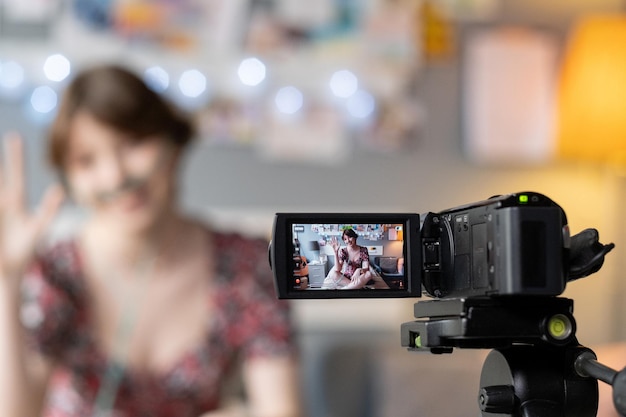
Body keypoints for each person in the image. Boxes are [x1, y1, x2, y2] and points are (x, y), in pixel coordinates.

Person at [0, 65, 301, 417]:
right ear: (68, 179)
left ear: (172, 145)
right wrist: (7, 278)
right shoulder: (56, 272)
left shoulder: (248, 264)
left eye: (132, 144)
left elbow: (281, 409)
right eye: (86, 160)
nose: (115, 175)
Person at [322, 228, 386, 290]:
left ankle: (346, 288)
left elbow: (366, 268)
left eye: (350, 237)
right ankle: (357, 287)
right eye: (345, 239)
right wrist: (335, 253)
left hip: (359, 277)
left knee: (368, 274)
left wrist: (358, 270)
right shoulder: (343, 251)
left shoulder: (363, 250)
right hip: (347, 278)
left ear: (355, 237)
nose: (348, 241)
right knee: (333, 273)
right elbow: (337, 269)